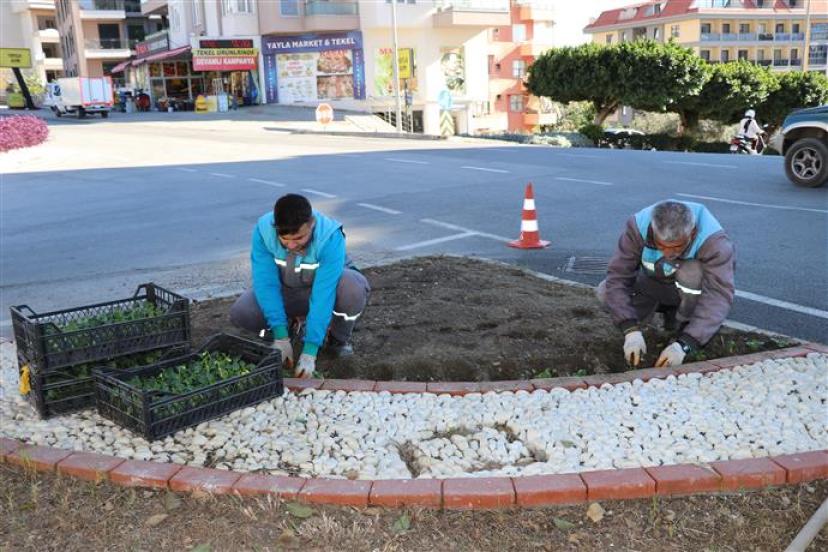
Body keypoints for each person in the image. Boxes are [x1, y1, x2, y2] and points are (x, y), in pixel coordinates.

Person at [230, 194, 370, 378]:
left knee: (352, 288)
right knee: (242, 311)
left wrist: (310, 350)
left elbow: (323, 294)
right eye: (285, 239)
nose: (291, 245)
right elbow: (266, 283)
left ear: (311, 223)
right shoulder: (264, 232)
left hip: (326, 290)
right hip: (288, 290)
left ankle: (337, 339)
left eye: (299, 238)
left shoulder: (330, 237)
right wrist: (280, 336)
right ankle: (287, 330)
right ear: (276, 228)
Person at [597, 200, 735, 368]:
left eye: (677, 247)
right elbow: (618, 276)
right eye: (661, 246)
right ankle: (646, 325)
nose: (668, 254)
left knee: (692, 272)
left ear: (692, 233)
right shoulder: (638, 226)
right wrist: (630, 329)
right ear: (653, 231)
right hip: (652, 284)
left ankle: (682, 326)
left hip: (688, 294)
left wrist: (686, 344)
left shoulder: (715, 243)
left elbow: (718, 295)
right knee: (605, 292)